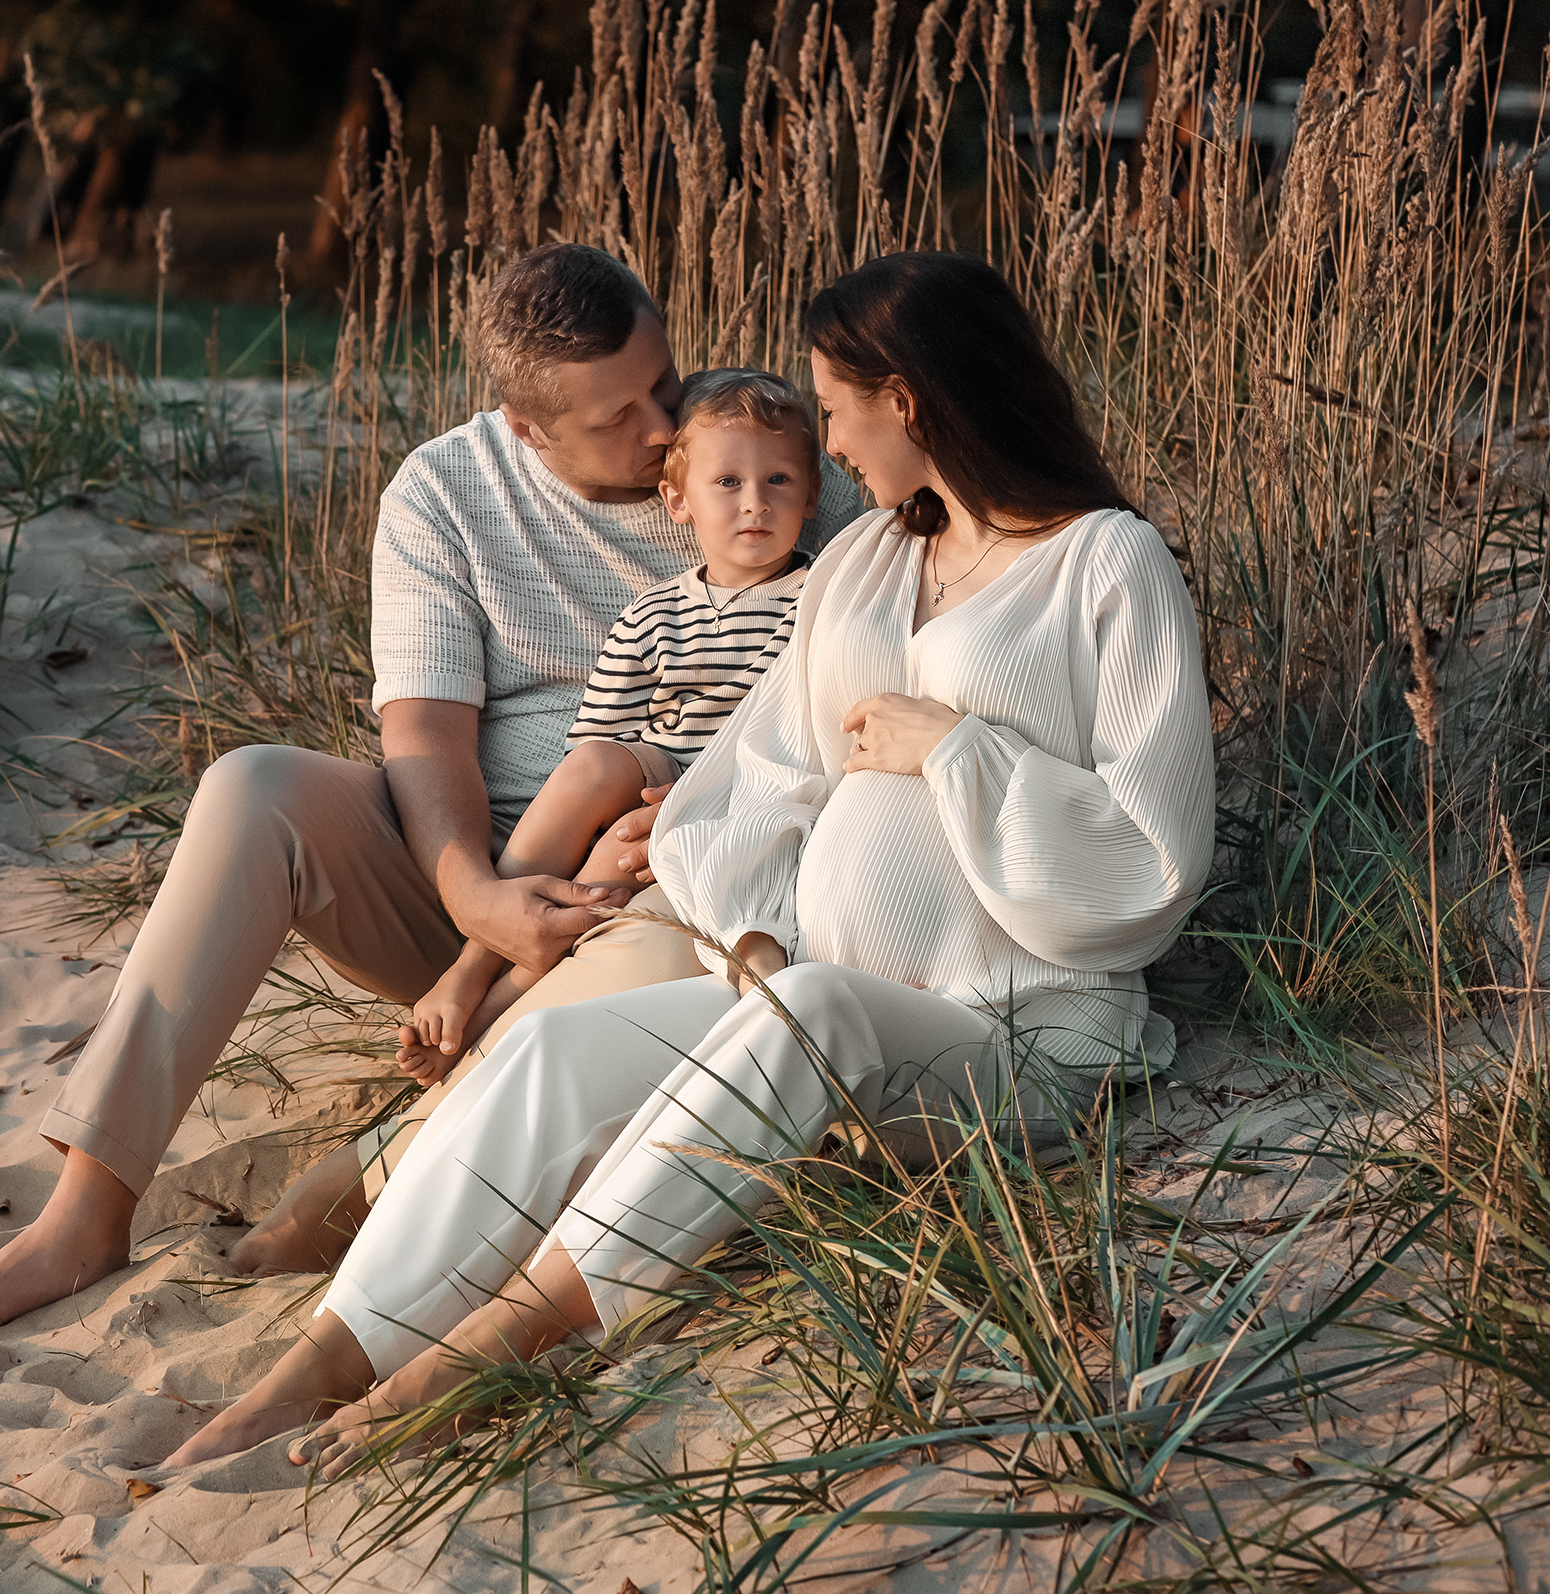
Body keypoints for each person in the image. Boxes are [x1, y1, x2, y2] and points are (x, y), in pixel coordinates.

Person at [162, 250, 1216, 1472]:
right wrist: (756, 941)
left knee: (814, 1009)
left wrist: (960, 752)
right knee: (558, 1045)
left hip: (1022, 1028)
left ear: (910, 403)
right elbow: (754, 783)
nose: (828, 440)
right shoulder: (871, 561)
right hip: (805, 997)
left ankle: (509, 1330)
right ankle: (331, 1354)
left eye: (833, 408)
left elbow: (1156, 861)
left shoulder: (1109, 563)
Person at [0, 244, 864, 1340]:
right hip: (471, 879)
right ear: (529, 427)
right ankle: (85, 1211)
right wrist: (475, 896)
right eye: (617, 415)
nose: (657, 428)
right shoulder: (448, 492)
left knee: (642, 934)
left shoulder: (748, 457)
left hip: (659, 886)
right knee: (254, 785)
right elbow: (425, 737)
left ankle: (380, 1176)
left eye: (662, 382)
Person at [400, 369, 825, 1085]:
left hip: (742, 801)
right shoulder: (651, 615)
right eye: (727, 483)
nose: (755, 504)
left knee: (604, 895)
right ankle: (473, 963)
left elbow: (811, 725)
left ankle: (481, 1028)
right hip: (646, 795)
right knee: (601, 802)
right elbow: (595, 749)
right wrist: (622, 823)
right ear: (677, 500)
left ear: (811, 497)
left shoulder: (818, 599)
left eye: (779, 481)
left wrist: (701, 799)